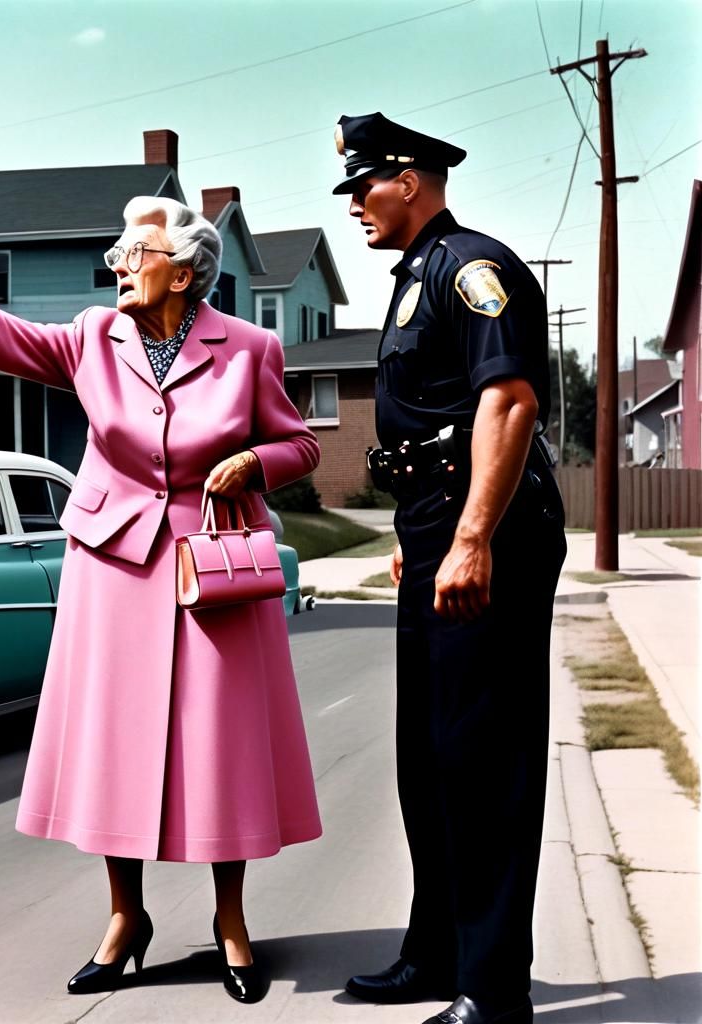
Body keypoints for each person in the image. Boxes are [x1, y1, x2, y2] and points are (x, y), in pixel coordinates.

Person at [0, 193, 322, 1004]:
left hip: (209, 566)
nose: (118, 266)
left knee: (219, 746)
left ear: (181, 272)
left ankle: (230, 921)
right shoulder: (90, 337)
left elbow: (300, 442)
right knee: (118, 744)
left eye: (134, 254)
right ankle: (125, 918)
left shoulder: (250, 348)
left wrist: (256, 465)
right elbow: (3, 338)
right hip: (112, 563)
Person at [329, 113, 566, 1024]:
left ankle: (495, 990)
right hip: (435, 518)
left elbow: (507, 404)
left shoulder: (474, 268)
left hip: (489, 526)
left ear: (411, 180)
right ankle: (437, 956)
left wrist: (472, 538)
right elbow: (432, 421)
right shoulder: (414, 278)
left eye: (364, 186)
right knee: (428, 761)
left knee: (484, 759)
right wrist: (422, 533)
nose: (355, 204)